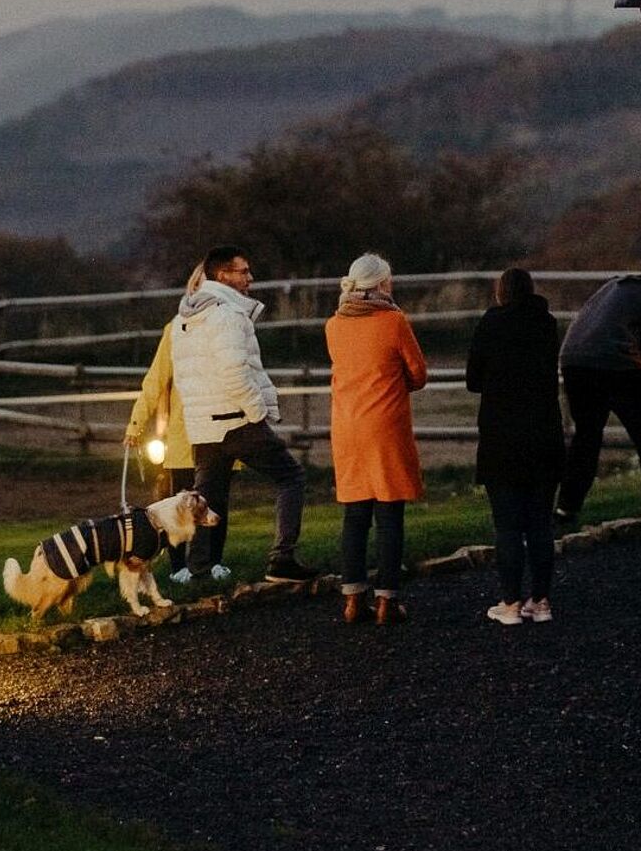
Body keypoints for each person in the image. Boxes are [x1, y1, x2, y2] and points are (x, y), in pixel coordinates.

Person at [172, 245, 317, 584]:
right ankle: (282, 559)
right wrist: (257, 411)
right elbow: (235, 371)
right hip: (235, 419)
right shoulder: (226, 315)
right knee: (291, 477)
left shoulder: (184, 318)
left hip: (204, 425)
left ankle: (199, 571)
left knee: (207, 498)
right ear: (223, 275)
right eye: (244, 271)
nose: (250, 278)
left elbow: (184, 377)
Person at [325, 252, 428, 626]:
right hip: (385, 426)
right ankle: (387, 600)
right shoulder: (394, 321)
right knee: (389, 515)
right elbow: (418, 373)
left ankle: (353, 600)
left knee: (355, 516)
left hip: (347, 427)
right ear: (382, 283)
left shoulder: (333, 326)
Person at [556, 272, 641, 544]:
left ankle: (564, 510)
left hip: (574, 359)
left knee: (586, 437)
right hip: (614, 361)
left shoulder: (620, 287)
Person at [465, 267, 565, 625]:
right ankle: (540, 601)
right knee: (540, 523)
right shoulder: (547, 324)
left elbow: (473, 380)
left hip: (501, 437)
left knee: (507, 525)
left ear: (500, 293)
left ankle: (509, 603)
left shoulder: (490, 325)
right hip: (544, 434)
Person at [123, 316, 197, 582]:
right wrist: (136, 424)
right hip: (182, 433)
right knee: (177, 499)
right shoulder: (177, 330)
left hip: (213, 432)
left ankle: (207, 562)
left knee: (212, 499)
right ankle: (179, 565)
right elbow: (155, 380)